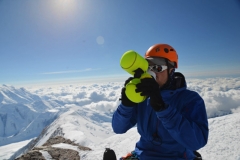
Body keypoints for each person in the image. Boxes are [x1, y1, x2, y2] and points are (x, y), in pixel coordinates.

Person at [112, 44, 209, 160]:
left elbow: (197, 141)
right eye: (148, 67)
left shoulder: (190, 99)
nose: (152, 73)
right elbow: (118, 128)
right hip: (142, 155)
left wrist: (162, 108)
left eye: (158, 68)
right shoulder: (142, 97)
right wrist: (126, 105)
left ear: (171, 69)